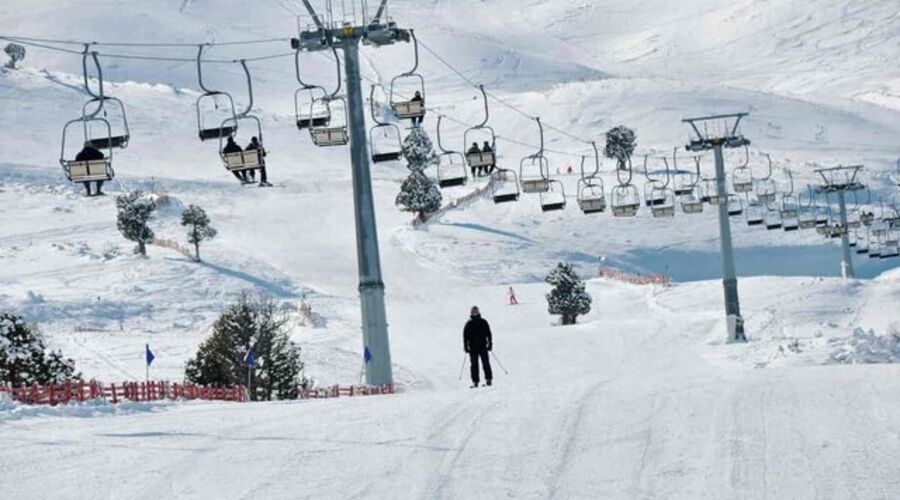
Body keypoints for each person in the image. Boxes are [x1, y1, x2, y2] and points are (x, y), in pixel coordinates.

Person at [463, 306, 493, 388]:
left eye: (476, 311)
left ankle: (488, 379)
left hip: (483, 346)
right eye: (473, 311)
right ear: (471, 313)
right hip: (473, 348)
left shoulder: (483, 322)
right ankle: (475, 381)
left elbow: (488, 333)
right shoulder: (469, 323)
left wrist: (490, 343)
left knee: (486, 363)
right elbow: (465, 336)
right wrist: (465, 346)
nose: (475, 312)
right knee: (474, 365)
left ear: (478, 312)